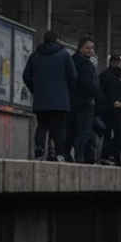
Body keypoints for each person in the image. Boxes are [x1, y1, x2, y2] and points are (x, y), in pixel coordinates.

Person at [22, 30, 77, 161]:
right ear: (57, 40)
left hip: (41, 99)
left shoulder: (34, 56)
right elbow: (73, 76)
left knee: (42, 125)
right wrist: (67, 90)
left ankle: (39, 151)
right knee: (60, 127)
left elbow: (26, 76)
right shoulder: (64, 55)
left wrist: (36, 90)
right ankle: (59, 153)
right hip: (61, 99)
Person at [68, 38, 101, 164]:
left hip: (71, 100)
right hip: (85, 102)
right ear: (80, 48)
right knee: (84, 130)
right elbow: (89, 84)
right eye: (87, 48)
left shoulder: (71, 61)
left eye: (92, 48)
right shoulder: (87, 64)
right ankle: (80, 156)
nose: (90, 51)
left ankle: (68, 153)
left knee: (72, 128)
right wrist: (95, 94)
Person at [99, 54, 121, 165]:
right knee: (113, 134)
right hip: (109, 109)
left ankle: (113, 156)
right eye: (114, 61)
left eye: (118, 62)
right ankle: (108, 155)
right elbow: (103, 93)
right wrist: (111, 103)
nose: (116, 64)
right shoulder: (106, 75)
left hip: (120, 109)